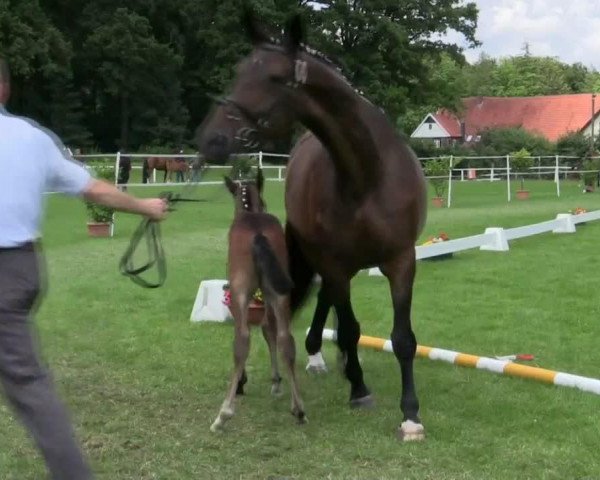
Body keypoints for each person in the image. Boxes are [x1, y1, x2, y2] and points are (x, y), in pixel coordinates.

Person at [0, 58, 169, 479]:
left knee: (28, 386)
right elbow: (92, 188)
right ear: (5, 89)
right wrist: (144, 205)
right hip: (20, 270)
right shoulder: (33, 138)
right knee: (27, 382)